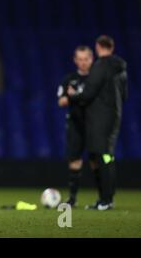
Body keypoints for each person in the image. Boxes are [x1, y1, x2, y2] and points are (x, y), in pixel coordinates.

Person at [66, 35, 128, 210]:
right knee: (106, 157)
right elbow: (125, 95)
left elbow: (88, 94)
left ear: (98, 47)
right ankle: (106, 199)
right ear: (112, 47)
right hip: (114, 116)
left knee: (102, 158)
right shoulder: (121, 67)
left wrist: (73, 96)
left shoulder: (100, 66)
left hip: (99, 119)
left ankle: (106, 200)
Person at [57, 46, 93, 207]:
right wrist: (72, 97)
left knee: (97, 160)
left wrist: (75, 95)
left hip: (94, 125)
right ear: (75, 60)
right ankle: (72, 198)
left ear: (91, 59)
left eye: (86, 59)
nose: (83, 62)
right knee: (74, 160)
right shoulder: (69, 79)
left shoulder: (96, 78)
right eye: (80, 59)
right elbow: (61, 101)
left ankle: (104, 198)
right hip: (75, 124)